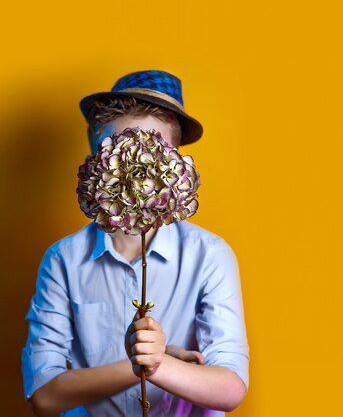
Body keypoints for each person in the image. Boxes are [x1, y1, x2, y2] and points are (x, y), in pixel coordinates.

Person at [22, 70, 249, 417]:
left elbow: (230, 387)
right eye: (118, 152)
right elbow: (43, 395)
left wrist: (159, 365)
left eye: (151, 153)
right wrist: (137, 367)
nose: (134, 172)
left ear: (177, 163)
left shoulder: (209, 255)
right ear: (97, 160)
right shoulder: (63, 260)